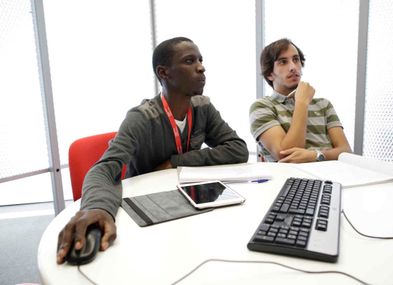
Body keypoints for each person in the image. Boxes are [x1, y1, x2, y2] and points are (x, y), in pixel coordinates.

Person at [56, 37, 249, 264]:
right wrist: (98, 208)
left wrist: (176, 161)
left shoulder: (203, 107)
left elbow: (238, 149)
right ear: (164, 72)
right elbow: (104, 169)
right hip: (147, 209)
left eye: (200, 60)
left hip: (189, 203)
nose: (201, 67)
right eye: (189, 61)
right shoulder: (141, 117)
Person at [249, 38, 351, 163]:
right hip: (290, 179)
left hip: (333, 176)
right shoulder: (262, 107)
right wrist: (301, 103)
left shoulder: (323, 104)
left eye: (296, 60)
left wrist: (315, 155)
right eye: (283, 62)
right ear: (270, 74)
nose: (293, 67)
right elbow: (286, 156)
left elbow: (346, 151)